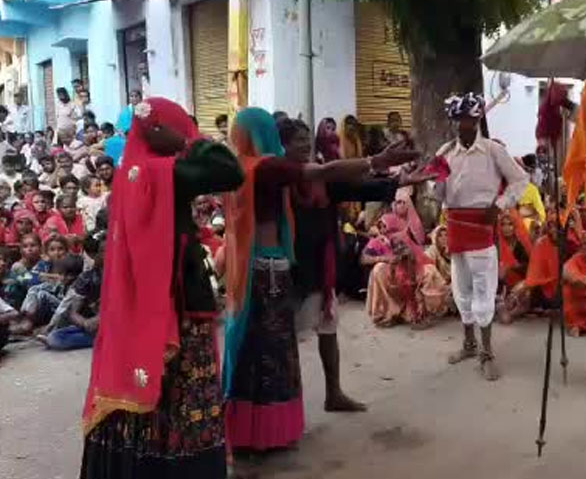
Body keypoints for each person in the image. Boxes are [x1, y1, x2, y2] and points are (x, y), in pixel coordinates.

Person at [222, 107, 418, 452]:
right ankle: (260, 432)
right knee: (272, 351)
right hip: (281, 273)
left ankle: (327, 396)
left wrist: (396, 180)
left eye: (306, 141)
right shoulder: (275, 172)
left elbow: (353, 186)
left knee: (295, 342)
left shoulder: (283, 174)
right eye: (297, 141)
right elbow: (328, 170)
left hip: (310, 268)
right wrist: (376, 159)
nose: (304, 147)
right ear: (275, 141)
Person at [80, 96, 244, 479]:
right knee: (182, 397)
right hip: (179, 309)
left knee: (152, 399)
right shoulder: (168, 172)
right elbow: (229, 170)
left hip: (146, 307)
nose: (188, 130)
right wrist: (187, 141)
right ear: (161, 131)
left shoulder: (133, 171)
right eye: (180, 123)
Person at [435, 93, 528, 381]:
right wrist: (433, 177)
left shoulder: (492, 150)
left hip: (481, 227)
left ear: (478, 119)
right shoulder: (445, 152)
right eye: (460, 119)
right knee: (461, 289)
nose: (465, 124)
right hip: (455, 226)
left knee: (484, 290)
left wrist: (499, 206)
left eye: (471, 119)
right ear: (454, 121)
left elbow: (520, 179)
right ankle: (469, 344)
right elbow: (438, 194)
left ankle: (487, 352)